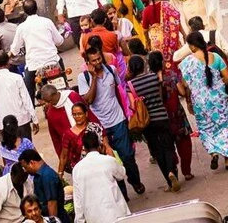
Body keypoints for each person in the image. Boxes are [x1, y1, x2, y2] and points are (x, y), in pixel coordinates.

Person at [77, 45, 144, 194]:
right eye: (93, 61)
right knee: (109, 160)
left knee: (127, 156)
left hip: (118, 120)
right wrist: (94, 78)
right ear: (88, 62)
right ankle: (121, 193)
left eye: (99, 58)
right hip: (100, 126)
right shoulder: (83, 78)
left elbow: (119, 92)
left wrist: (127, 114)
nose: (97, 62)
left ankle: (135, 181)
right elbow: (88, 100)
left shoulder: (111, 71)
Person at [177, 31, 228, 170]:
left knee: (207, 128)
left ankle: (213, 153)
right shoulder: (215, 57)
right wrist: (218, 86)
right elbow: (227, 77)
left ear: (192, 46)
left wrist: (189, 102)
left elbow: (185, 85)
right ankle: (227, 160)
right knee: (224, 127)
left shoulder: (187, 63)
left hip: (200, 103)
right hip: (219, 101)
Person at [126, 55, 180, 192]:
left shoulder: (130, 85)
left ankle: (169, 182)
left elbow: (132, 106)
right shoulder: (153, 77)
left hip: (147, 122)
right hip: (162, 116)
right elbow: (161, 93)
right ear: (143, 66)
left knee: (157, 151)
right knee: (168, 147)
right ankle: (172, 172)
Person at [72, 131, 130, 223]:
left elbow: (77, 199)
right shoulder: (108, 161)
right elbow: (121, 174)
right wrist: (113, 157)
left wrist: (79, 220)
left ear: (84, 149)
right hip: (116, 214)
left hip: (93, 217)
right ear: (100, 145)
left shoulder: (77, 169)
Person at [11, 0, 64, 99]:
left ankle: (32, 109)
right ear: (37, 8)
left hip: (34, 66)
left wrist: (9, 54)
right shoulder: (47, 22)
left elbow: (14, 50)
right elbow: (59, 41)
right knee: (63, 86)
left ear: (24, 11)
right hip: (53, 61)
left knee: (29, 93)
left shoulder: (21, 27)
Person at [0, 52, 38, 139]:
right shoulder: (17, 78)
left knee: (12, 151)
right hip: (22, 121)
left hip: (5, 124)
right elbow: (26, 99)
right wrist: (34, 119)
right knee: (26, 149)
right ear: (9, 62)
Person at [140, 0, 185, 80]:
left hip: (156, 42)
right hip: (169, 38)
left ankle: (164, 81)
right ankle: (178, 81)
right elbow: (176, 21)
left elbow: (144, 30)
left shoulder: (146, 11)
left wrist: (147, 42)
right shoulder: (167, 5)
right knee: (174, 59)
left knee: (160, 62)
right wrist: (184, 34)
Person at [19, 151, 66, 223]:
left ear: (31, 163)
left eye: (25, 167)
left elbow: (52, 204)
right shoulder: (38, 176)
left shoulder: (47, 176)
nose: (25, 171)